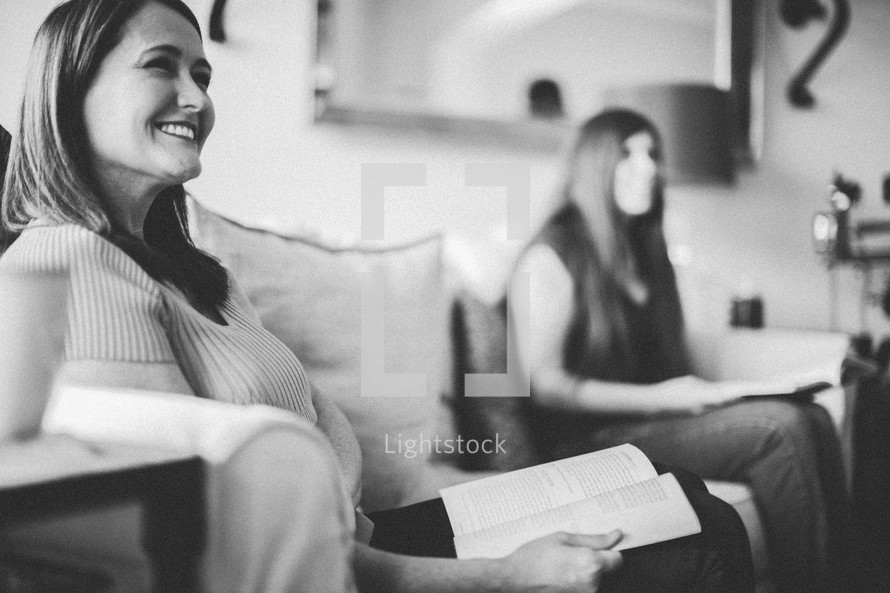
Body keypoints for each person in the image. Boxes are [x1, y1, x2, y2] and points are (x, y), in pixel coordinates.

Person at [0, 1, 753, 591]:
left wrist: (339, 493)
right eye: (162, 66)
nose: (195, 95)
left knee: (679, 493)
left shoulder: (195, 269)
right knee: (696, 540)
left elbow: (313, 429)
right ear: (72, 88)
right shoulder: (68, 261)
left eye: (203, 73)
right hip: (345, 574)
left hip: (360, 541)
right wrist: (508, 574)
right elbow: (219, 549)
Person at [508, 109, 851, 593]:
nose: (649, 167)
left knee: (812, 416)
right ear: (593, 165)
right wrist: (665, 398)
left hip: (648, 425)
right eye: (629, 154)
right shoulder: (553, 253)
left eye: (653, 154)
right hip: (582, 443)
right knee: (780, 427)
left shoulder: (647, 249)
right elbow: (546, 385)